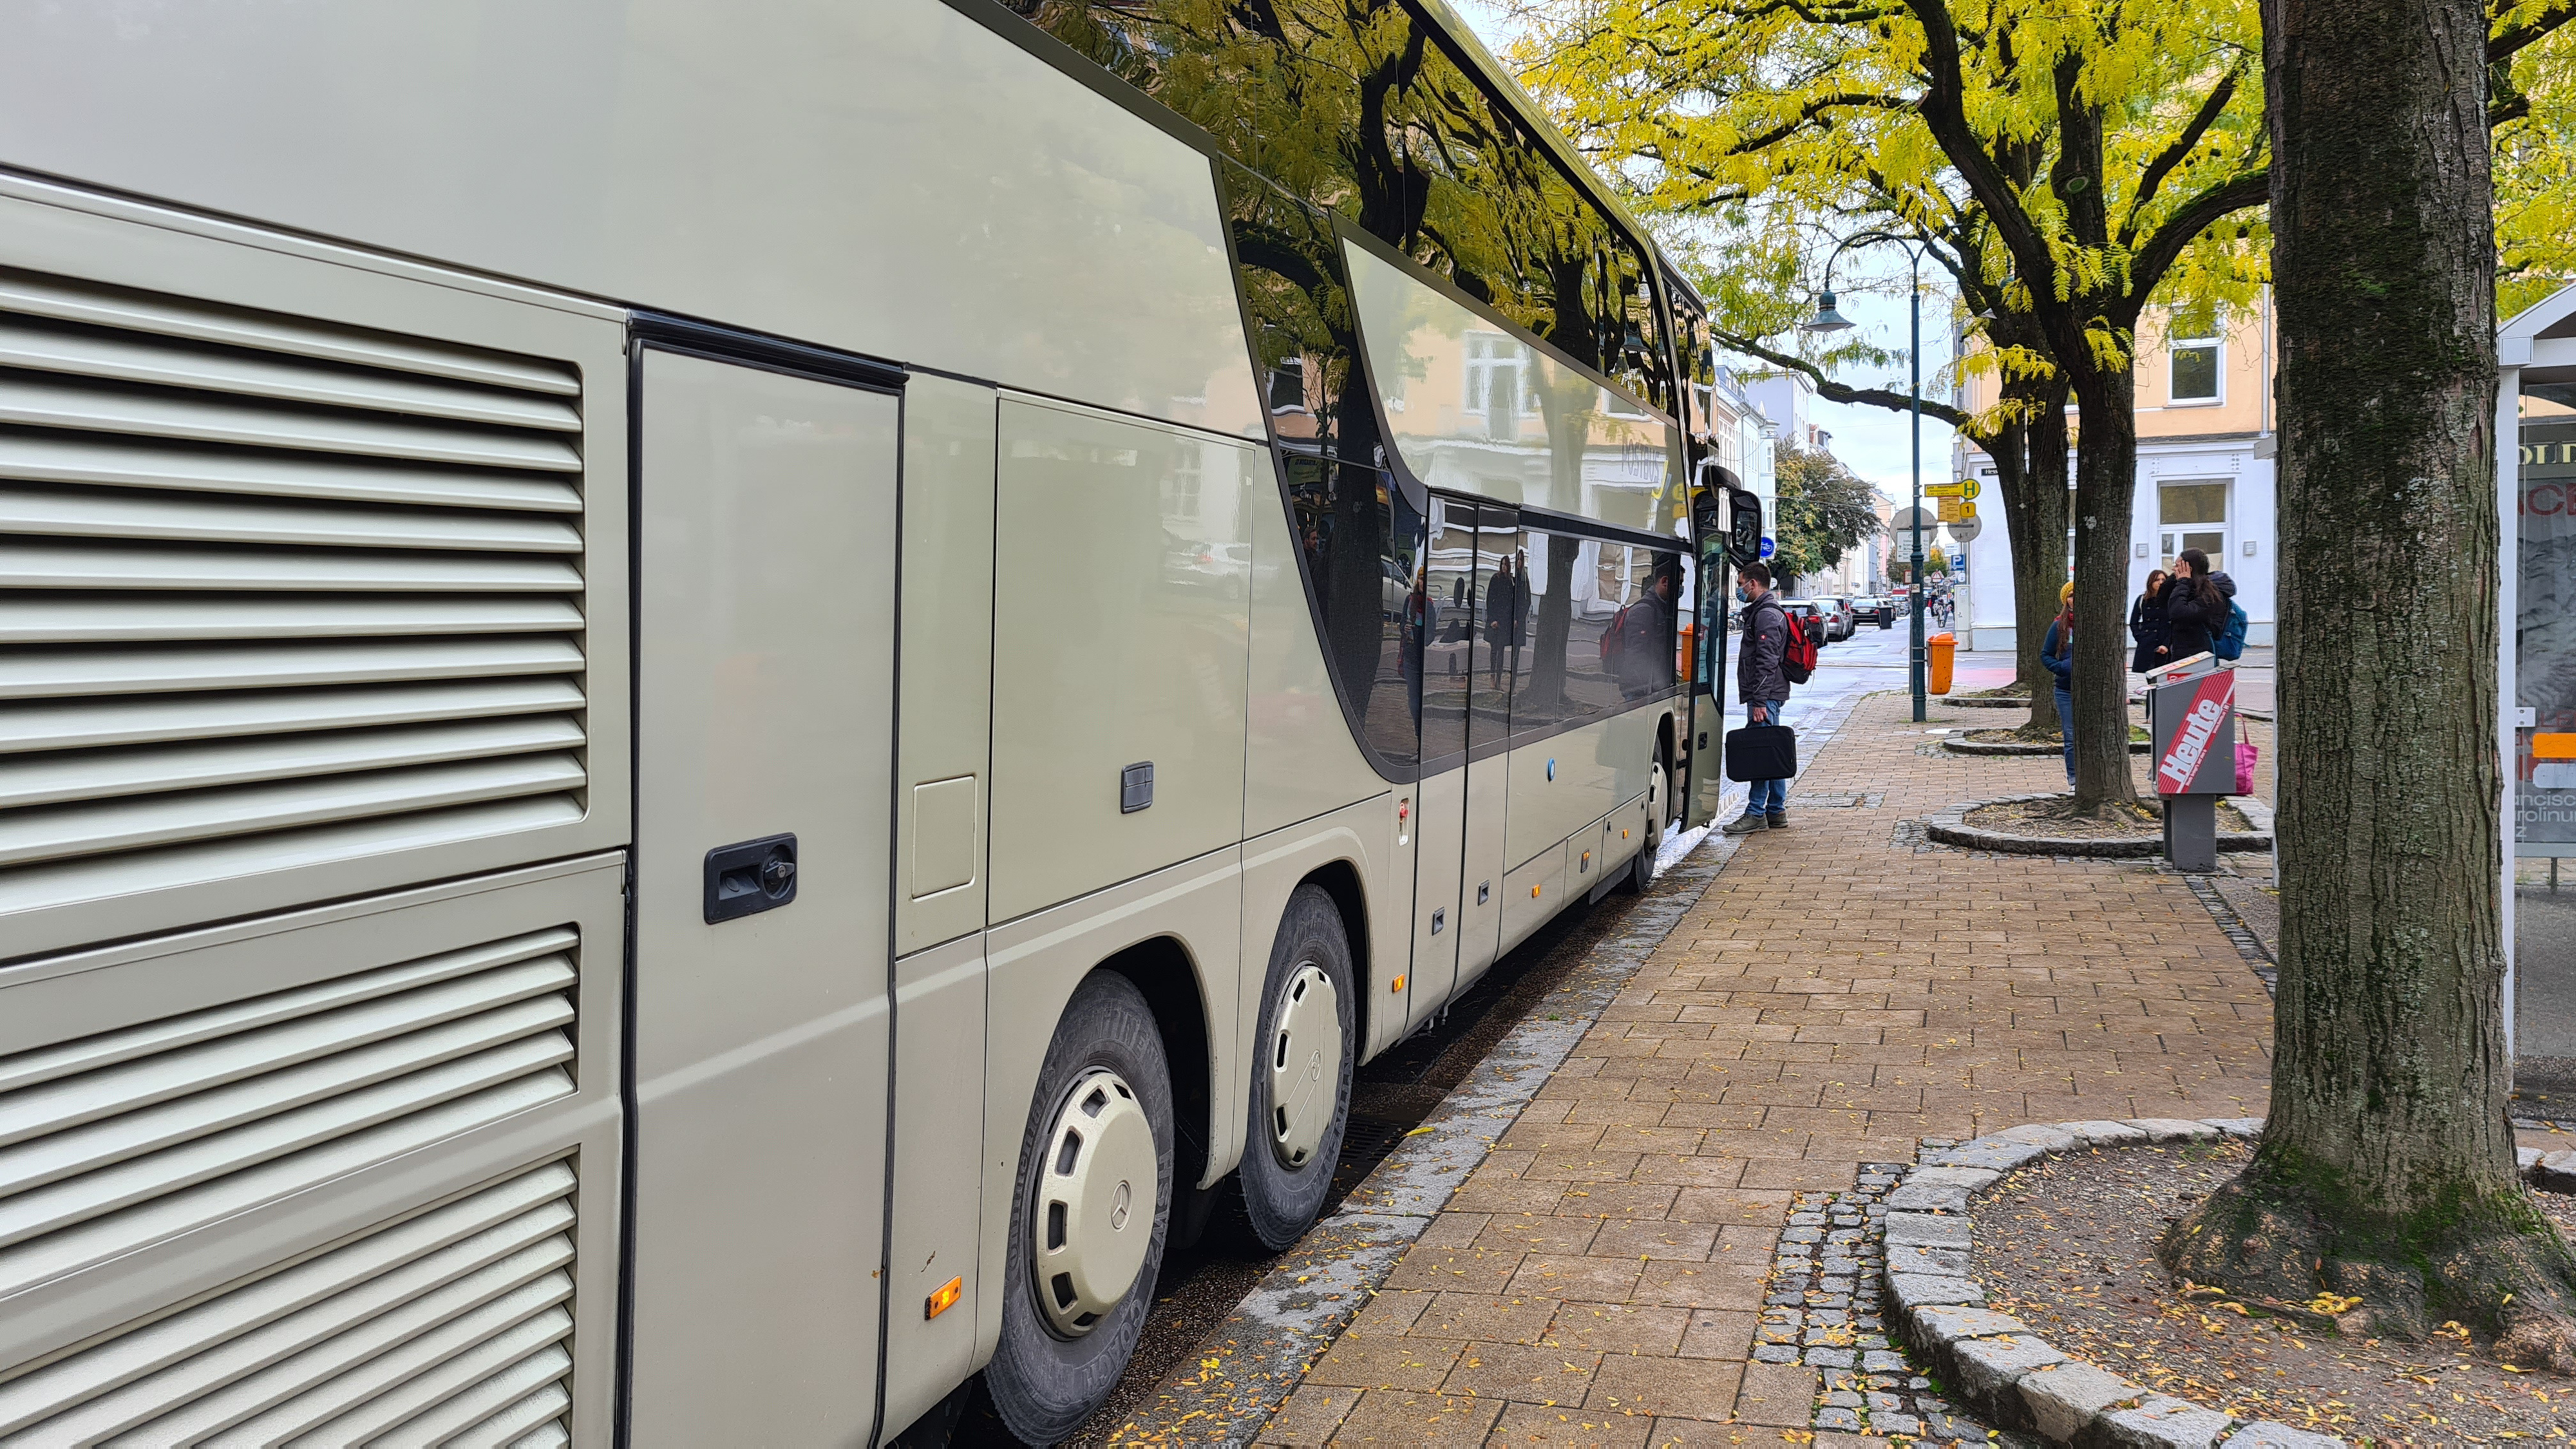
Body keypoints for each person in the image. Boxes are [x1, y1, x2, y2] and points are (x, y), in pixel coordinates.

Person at [1724, 560, 1794, 834]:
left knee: (1762, 754)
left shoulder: (1766, 615)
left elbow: (1766, 660)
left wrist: (1760, 701)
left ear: (1753, 584)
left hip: (1765, 694)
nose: (1739, 589)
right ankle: (1776, 811)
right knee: (1773, 750)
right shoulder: (1764, 611)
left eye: (1741, 584)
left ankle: (1755, 813)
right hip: (1769, 693)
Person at [2159, 548, 2226, 665]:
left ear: (2188, 569)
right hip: (2180, 651)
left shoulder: (2208, 594)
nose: (2173, 569)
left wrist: (2184, 581)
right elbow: (2161, 600)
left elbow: (2179, 612)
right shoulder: (2183, 586)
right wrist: (2178, 580)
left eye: (2177, 565)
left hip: (2198, 655)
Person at [2042, 580, 2076, 789]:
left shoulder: (2095, 623)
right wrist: (2061, 667)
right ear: (2066, 600)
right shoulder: (2059, 625)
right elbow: (2045, 655)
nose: (2075, 599)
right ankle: (2073, 780)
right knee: (2070, 735)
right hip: (2065, 689)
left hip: (2090, 690)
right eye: (2071, 595)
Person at [2128, 569, 2168, 676]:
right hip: (2147, 643)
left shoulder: (2170, 600)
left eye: (2163, 580)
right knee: (2147, 679)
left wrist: (2166, 644)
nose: (2160, 582)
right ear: (2151, 582)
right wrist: (2140, 637)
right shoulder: (2143, 599)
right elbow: (2134, 622)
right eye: (2157, 580)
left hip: (2163, 644)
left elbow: (2173, 624)